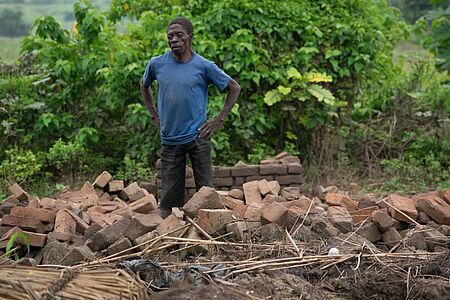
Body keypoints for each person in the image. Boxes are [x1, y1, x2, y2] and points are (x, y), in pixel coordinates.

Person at [140, 17, 241, 219]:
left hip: (198, 138)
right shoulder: (157, 64)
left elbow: (234, 88)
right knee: (167, 203)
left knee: (206, 195)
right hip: (170, 139)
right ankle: (168, 239)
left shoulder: (203, 66)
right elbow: (144, 85)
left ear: (189, 37)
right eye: (170, 36)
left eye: (179, 35)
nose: (174, 40)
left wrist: (218, 120)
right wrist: (154, 116)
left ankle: (210, 238)